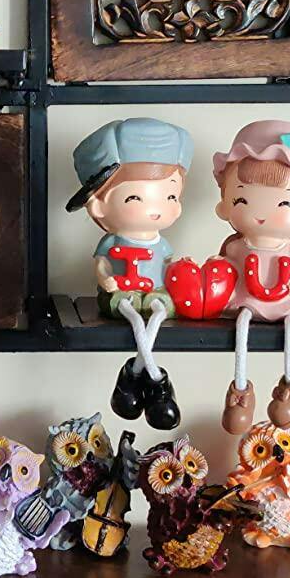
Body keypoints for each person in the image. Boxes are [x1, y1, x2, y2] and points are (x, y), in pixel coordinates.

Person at [211, 120, 290, 435]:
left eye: (284, 203)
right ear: (225, 206)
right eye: (242, 200)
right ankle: (240, 390)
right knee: (242, 326)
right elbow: (226, 270)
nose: (260, 214)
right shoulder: (237, 247)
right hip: (246, 300)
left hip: (283, 303)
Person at [66, 117, 194, 430]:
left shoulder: (161, 243)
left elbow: (168, 265)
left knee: (159, 312)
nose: (156, 208)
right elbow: (102, 263)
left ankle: (134, 377)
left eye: (170, 196)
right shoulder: (112, 241)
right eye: (135, 197)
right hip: (122, 295)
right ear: (98, 206)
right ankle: (156, 383)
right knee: (132, 315)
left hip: (155, 292)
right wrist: (105, 278)